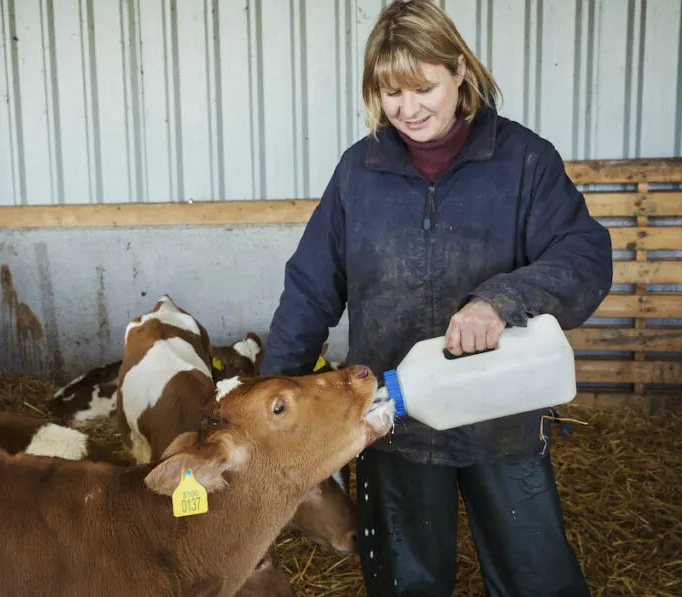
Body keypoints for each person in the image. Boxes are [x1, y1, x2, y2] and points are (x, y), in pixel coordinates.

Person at [258, 1, 612, 595]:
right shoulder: (358, 173)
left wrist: (501, 299)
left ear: (459, 72)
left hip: (501, 417)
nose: (408, 109)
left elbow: (585, 257)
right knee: (405, 581)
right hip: (394, 423)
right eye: (390, 92)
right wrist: (270, 397)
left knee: (536, 576)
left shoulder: (523, 162)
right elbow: (310, 289)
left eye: (422, 87)